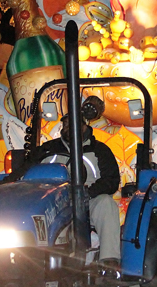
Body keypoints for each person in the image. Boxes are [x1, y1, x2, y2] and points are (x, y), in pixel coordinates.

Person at [35, 97, 121, 267]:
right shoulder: (47, 149)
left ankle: (109, 262)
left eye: (74, 124)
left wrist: (88, 193)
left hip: (89, 198)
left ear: (85, 126)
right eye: (66, 124)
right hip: (53, 199)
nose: (69, 128)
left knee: (107, 204)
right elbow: (26, 170)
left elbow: (111, 180)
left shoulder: (99, 150)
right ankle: (35, 262)